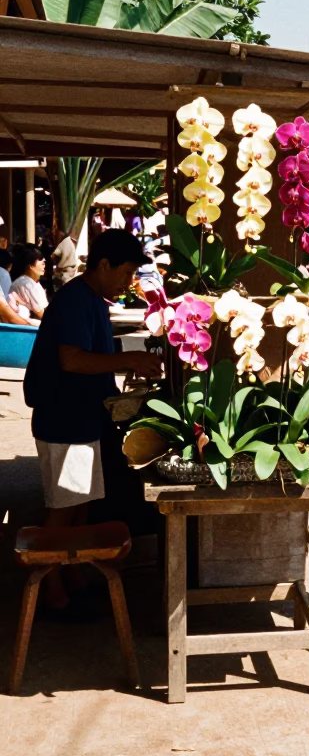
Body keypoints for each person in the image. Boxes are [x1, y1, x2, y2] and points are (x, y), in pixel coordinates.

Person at [23, 229, 162, 613]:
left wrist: (129, 359)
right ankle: (51, 591)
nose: (129, 282)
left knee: (81, 504)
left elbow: (96, 353)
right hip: (64, 418)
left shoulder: (95, 301)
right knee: (64, 507)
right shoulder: (74, 301)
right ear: (104, 265)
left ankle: (76, 576)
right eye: (126, 272)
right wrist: (129, 361)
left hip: (83, 416)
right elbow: (72, 359)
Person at [9, 245, 48, 320]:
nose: (44, 263)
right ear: (31, 266)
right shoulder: (25, 284)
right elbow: (42, 314)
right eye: (40, 260)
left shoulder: (32, 282)